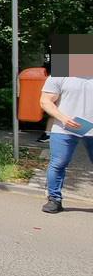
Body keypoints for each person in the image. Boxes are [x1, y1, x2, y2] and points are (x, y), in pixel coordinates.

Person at [38, 76, 93, 213]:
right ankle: (54, 200)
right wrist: (63, 118)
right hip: (63, 128)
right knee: (58, 162)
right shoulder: (61, 73)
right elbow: (45, 100)